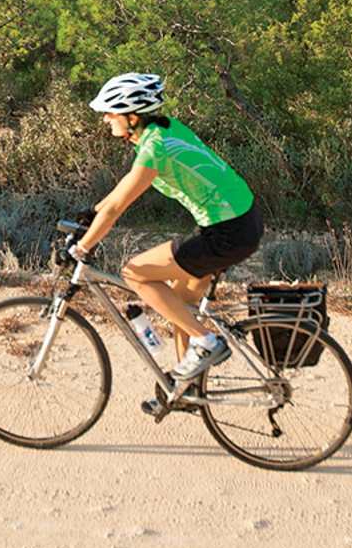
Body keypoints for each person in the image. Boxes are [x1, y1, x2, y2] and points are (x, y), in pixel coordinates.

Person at [71, 71, 263, 388]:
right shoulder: (164, 130)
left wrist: (82, 248)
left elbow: (119, 207)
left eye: (110, 112)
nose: (105, 119)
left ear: (131, 116)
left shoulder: (154, 150)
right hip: (241, 222)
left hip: (227, 233)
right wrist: (93, 212)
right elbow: (121, 191)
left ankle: (207, 342)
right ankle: (185, 389)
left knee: (134, 273)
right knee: (179, 307)